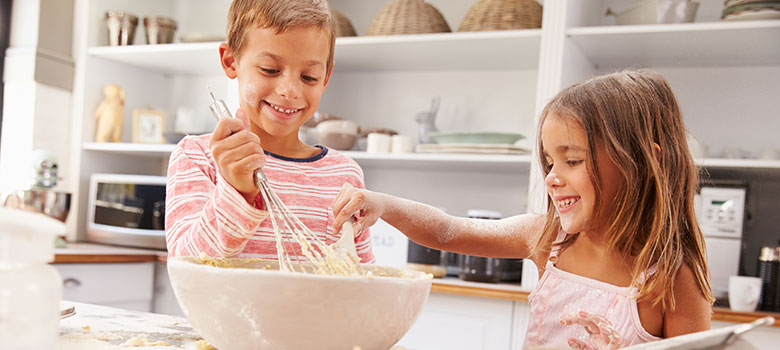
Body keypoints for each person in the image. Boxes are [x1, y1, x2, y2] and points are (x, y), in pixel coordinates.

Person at [332, 69, 713, 349]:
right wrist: (384, 204)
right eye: (550, 163)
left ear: (644, 164)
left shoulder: (672, 279)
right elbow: (447, 231)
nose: (552, 178)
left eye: (573, 161)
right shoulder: (548, 240)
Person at [165, 0, 374, 263]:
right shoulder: (198, 157)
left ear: (326, 77)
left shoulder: (344, 174)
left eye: (308, 76)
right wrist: (236, 190)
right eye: (270, 70)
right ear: (231, 61)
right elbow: (187, 265)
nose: (290, 90)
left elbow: (361, 276)